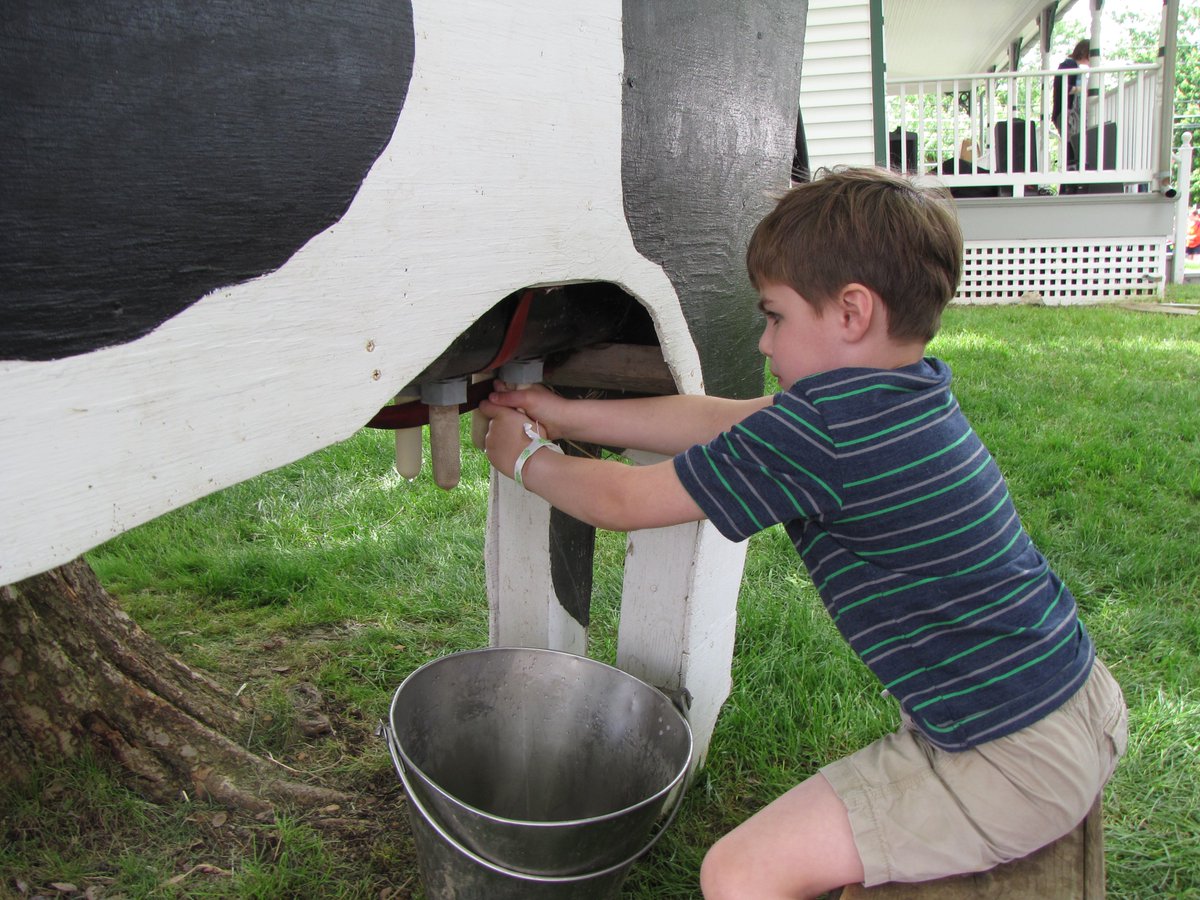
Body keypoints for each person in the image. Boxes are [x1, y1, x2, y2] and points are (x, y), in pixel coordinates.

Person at [478, 166, 1127, 899]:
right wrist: (564, 414)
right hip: (1075, 702)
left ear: (851, 312)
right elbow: (712, 418)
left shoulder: (826, 431)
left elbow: (627, 499)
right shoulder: (898, 396)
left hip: (1010, 761)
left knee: (739, 875)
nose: (763, 339)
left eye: (776, 316)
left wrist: (527, 458)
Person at [1052, 39, 1091, 178]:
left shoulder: (1075, 67)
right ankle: (1070, 180)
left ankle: (1072, 180)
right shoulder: (1068, 65)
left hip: (1068, 115)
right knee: (1072, 147)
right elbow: (1063, 87)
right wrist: (1081, 89)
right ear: (1086, 52)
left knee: (1073, 147)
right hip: (1066, 114)